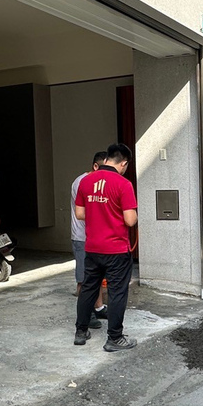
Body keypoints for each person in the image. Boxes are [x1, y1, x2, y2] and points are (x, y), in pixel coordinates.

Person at [74, 143, 138, 351]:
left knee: (88, 289)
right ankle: (114, 338)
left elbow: (80, 214)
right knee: (117, 292)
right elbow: (130, 220)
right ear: (123, 163)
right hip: (116, 249)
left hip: (92, 247)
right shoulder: (123, 184)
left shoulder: (85, 181)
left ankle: (81, 332)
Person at [71, 151, 107, 329]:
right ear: (95, 166)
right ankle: (87, 313)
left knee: (96, 276)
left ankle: (99, 307)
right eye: (104, 168)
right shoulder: (82, 183)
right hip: (82, 238)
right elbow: (86, 212)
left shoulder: (99, 182)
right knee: (83, 279)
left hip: (94, 237)